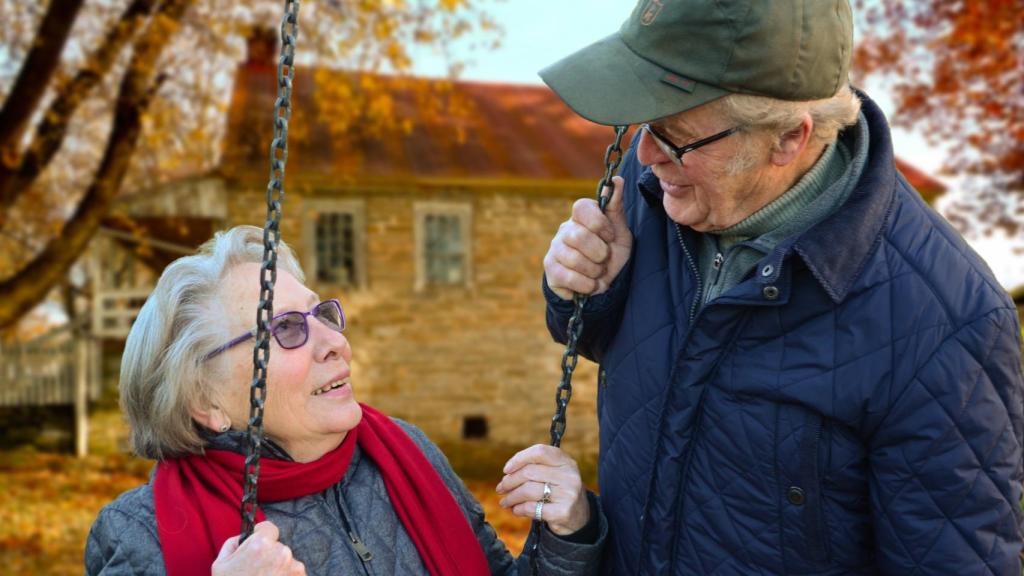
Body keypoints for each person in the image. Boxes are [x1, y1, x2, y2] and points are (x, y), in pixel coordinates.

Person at [539, 0, 1024, 574]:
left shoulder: (946, 323)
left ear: (788, 140)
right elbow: (617, 348)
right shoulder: (654, 189)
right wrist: (583, 291)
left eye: (675, 136)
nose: (645, 156)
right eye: (644, 123)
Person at [86, 225, 605, 575]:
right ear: (206, 401)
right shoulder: (139, 535)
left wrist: (568, 532)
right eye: (286, 329)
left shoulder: (406, 453)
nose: (334, 342)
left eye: (322, 315)